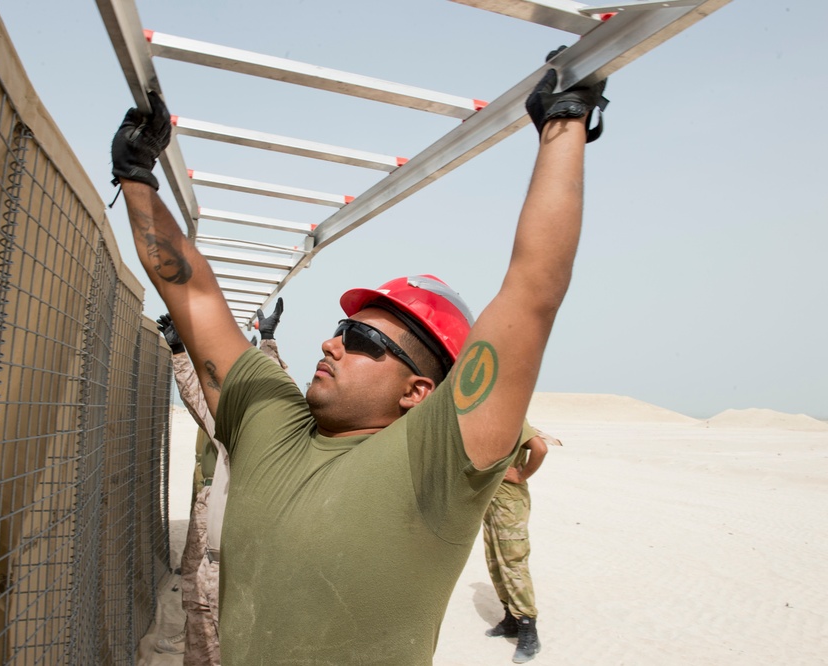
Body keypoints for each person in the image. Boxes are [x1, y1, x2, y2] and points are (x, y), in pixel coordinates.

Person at [110, 48, 608, 664]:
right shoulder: (271, 424)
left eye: (365, 341)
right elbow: (194, 296)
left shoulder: (436, 465)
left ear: (418, 392)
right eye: (343, 327)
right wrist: (136, 175)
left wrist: (564, 125)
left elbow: (532, 291)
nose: (330, 342)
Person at [157, 300, 287, 666]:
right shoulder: (230, 428)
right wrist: (180, 351)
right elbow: (198, 399)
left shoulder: (285, 437)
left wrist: (269, 340)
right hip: (210, 570)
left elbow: (279, 387)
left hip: (251, 575)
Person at [483, 424, 562, 663]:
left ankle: (528, 629)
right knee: (495, 560)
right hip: (492, 500)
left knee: (513, 562)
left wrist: (521, 475)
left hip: (509, 503)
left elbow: (540, 448)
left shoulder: (516, 418)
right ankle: (510, 618)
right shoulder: (493, 417)